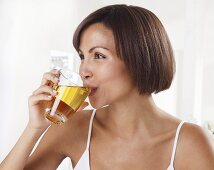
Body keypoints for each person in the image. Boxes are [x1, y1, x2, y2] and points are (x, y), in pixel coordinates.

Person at [0, 4, 214, 170]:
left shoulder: (189, 141)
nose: (84, 70)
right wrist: (34, 129)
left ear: (138, 58)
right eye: (83, 56)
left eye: (99, 56)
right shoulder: (74, 127)